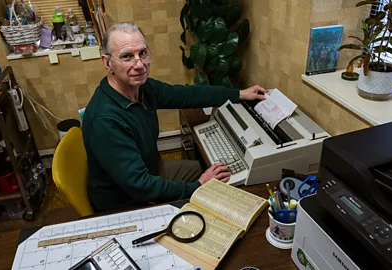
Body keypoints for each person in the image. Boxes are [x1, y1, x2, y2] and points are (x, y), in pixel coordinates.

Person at [82, 22, 267, 212]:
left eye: (143, 53)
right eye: (127, 56)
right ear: (107, 63)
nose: (139, 65)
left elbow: (186, 95)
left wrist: (238, 94)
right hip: (124, 201)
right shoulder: (105, 119)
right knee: (214, 196)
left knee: (206, 168)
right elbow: (141, 186)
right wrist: (198, 186)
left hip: (149, 168)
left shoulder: (142, 89)